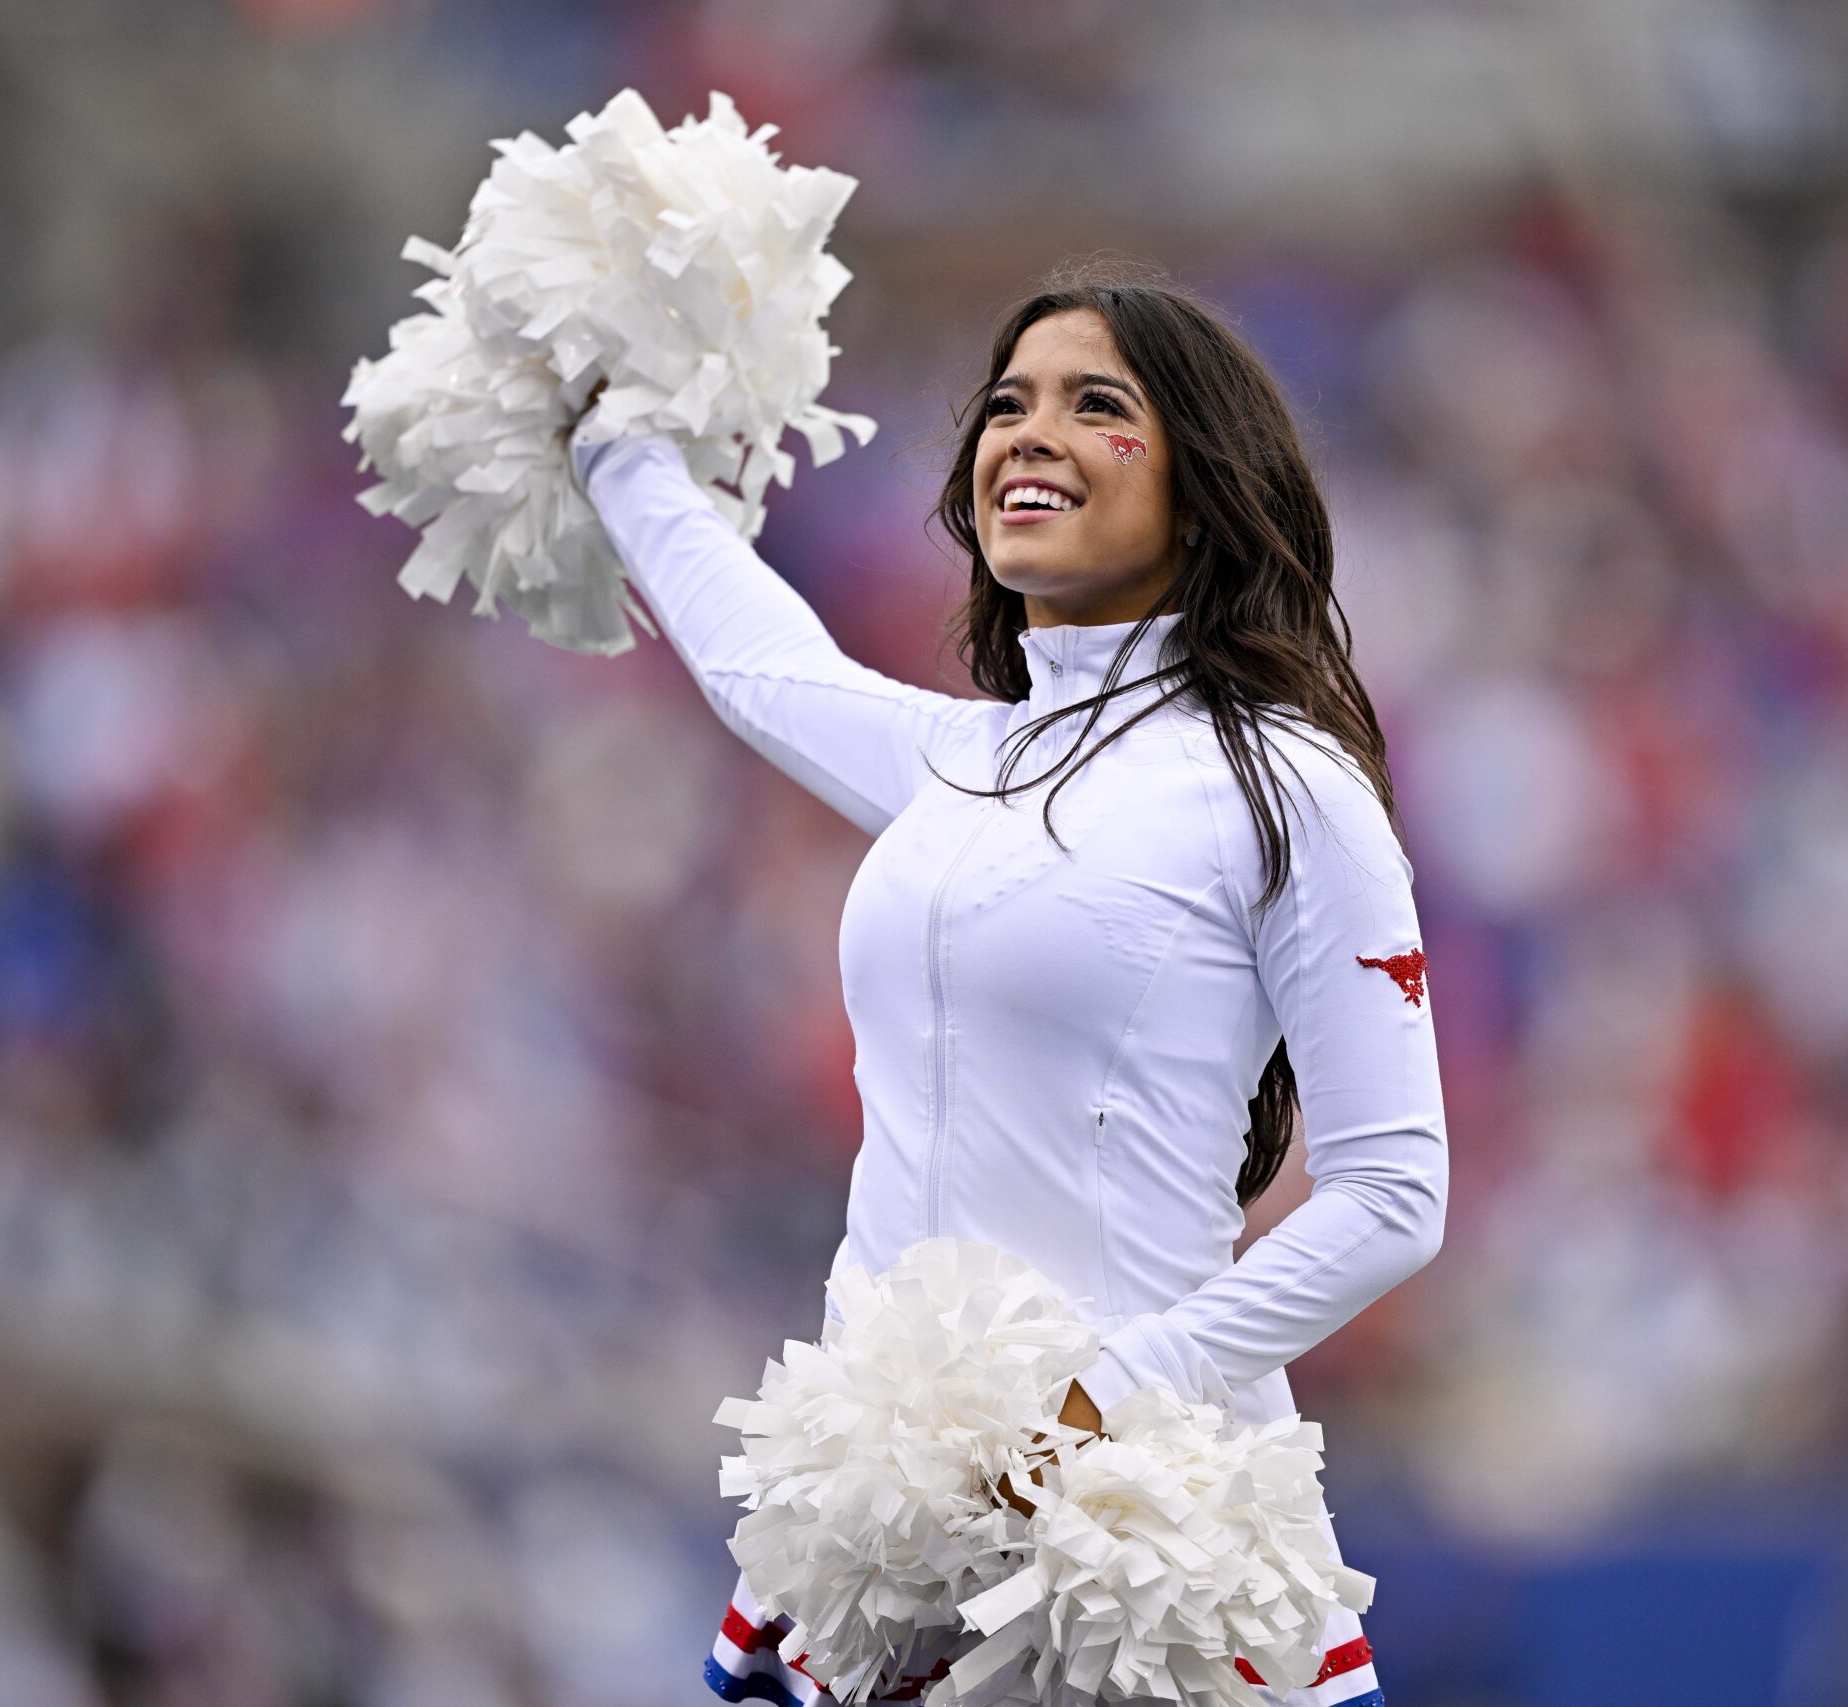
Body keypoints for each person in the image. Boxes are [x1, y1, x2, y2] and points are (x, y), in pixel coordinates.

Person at [571, 262, 1444, 1707]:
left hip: (1132, 1542)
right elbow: (757, 669)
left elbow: (1393, 1194)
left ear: (1203, 482)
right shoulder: (963, 763)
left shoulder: (1285, 784)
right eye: (1006, 405)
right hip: (894, 1511)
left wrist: (1111, 1395)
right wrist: (606, 439)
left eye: (1097, 406)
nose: (1026, 434)